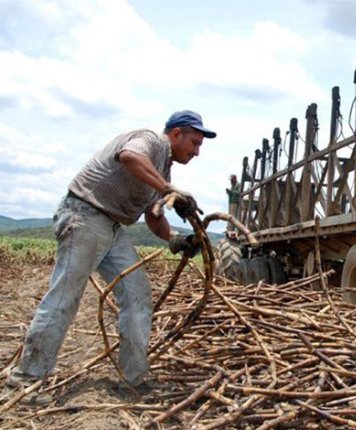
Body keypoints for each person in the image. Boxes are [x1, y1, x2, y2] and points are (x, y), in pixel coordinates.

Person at [9, 110, 216, 388]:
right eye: (195, 142)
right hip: (84, 216)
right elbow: (130, 157)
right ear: (176, 134)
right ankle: (27, 378)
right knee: (64, 299)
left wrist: (175, 239)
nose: (197, 151)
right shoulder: (151, 140)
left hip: (112, 228)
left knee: (138, 295)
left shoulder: (162, 170)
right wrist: (169, 190)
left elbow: (153, 215)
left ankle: (134, 378)